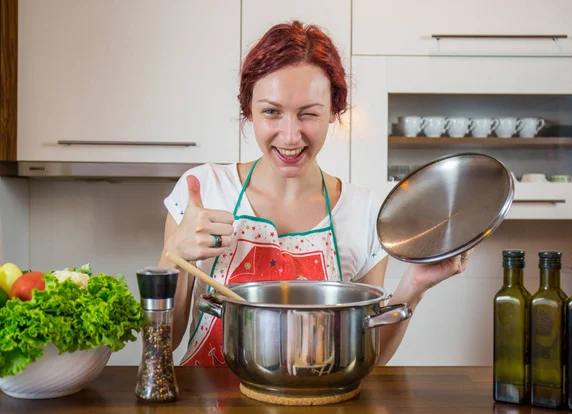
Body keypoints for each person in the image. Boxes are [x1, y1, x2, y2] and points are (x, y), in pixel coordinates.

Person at [158, 20, 472, 367]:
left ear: (334, 112)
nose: (290, 136)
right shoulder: (204, 189)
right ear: (248, 109)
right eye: (271, 112)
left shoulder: (366, 211)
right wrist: (175, 257)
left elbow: (367, 355)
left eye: (308, 114)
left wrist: (413, 287)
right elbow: (163, 344)